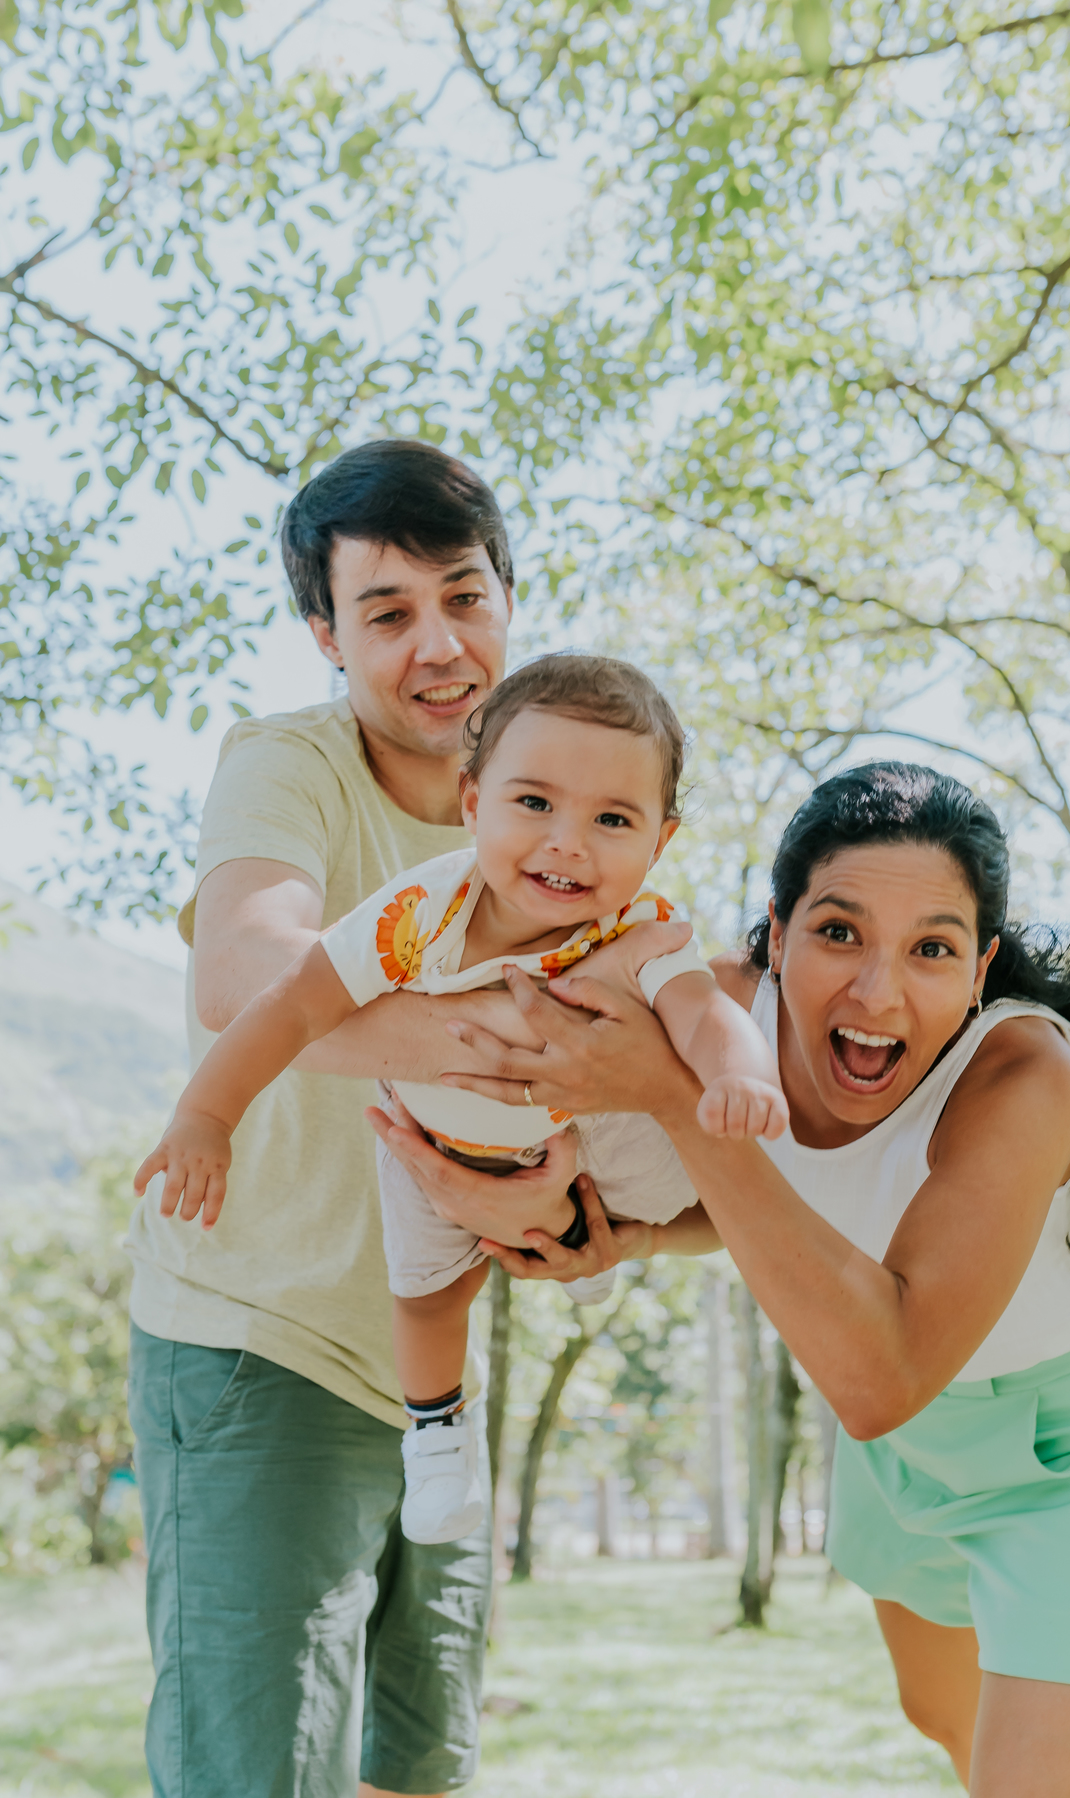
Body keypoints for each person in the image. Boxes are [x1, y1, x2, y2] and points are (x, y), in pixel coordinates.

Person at [378, 762, 1070, 1798]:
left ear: (982, 962)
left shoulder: (1022, 1076)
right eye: (839, 932)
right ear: (777, 928)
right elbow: (775, 1208)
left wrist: (679, 1105)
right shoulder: (718, 1013)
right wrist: (624, 1235)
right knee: (943, 1716)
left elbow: (879, 1374)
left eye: (933, 948)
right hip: (911, 1451)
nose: (877, 991)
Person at [125, 440, 622, 1798]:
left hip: (433, 1372)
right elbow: (243, 974)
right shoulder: (288, 764)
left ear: (511, 598)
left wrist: (578, 1216)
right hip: (258, 1346)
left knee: (420, 1767)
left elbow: (638, 1046)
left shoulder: (547, 800)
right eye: (388, 612)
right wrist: (502, 1047)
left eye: (465, 595)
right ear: (326, 636)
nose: (439, 644)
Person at [135, 652, 786, 1546]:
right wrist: (207, 1116)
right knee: (429, 1297)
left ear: (659, 841)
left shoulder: (642, 934)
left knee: (681, 1133)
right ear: (472, 802)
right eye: (535, 804)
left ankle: (579, 1235)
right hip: (432, 1147)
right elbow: (289, 1004)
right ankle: (439, 1431)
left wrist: (740, 1074)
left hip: (581, 1140)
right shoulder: (417, 915)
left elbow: (705, 1014)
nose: (568, 840)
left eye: (612, 818)